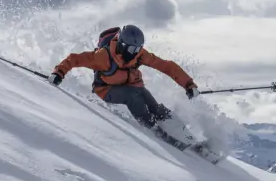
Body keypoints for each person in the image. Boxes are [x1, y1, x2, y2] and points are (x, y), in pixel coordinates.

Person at [48, 24, 199, 128]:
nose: (135, 52)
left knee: (149, 100)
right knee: (132, 96)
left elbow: (166, 66)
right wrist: (58, 73)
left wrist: (189, 85)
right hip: (107, 89)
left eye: (138, 48)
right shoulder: (103, 57)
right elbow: (75, 59)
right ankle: (151, 127)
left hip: (133, 86)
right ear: (122, 45)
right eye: (132, 48)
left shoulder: (139, 54)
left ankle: (178, 130)